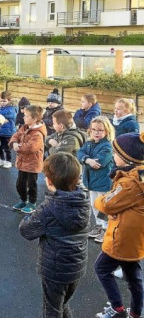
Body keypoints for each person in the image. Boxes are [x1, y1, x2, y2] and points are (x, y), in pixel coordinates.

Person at [19, 152, 90, 318]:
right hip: (77, 265)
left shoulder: (48, 208)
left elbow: (26, 230)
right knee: (62, 304)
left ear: (49, 181)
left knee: (51, 309)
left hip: (55, 269)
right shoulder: (83, 200)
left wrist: (34, 213)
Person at [93, 132, 144, 318]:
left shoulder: (130, 183)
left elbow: (106, 203)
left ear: (126, 158)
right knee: (133, 277)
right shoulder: (140, 176)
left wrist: (99, 201)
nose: (113, 156)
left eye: (115, 154)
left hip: (122, 237)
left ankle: (117, 308)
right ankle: (136, 313)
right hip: (135, 237)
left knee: (102, 269)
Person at [77, 116, 114, 244]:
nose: (96, 132)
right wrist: (87, 159)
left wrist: (86, 160)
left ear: (106, 132)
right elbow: (79, 153)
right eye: (94, 129)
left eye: (100, 130)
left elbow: (100, 162)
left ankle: (105, 227)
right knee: (93, 204)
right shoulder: (88, 143)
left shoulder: (107, 146)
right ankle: (98, 225)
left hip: (103, 182)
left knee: (103, 205)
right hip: (91, 181)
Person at [10, 105, 47, 214]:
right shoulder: (25, 127)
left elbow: (31, 147)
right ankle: (23, 199)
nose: (23, 118)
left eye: (26, 116)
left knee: (32, 185)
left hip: (33, 163)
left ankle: (32, 203)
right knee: (20, 184)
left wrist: (18, 146)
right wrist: (14, 143)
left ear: (34, 119)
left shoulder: (38, 133)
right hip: (23, 162)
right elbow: (16, 135)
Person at [0, 91, 17, 169]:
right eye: (1, 101)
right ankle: (2, 159)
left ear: (9, 101)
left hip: (8, 132)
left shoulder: (11, 109)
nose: (2, 103)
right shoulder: (0, 109)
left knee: (7, 148)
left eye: (4, 101)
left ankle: (8, 161)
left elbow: (2, 113)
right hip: (0, 131)